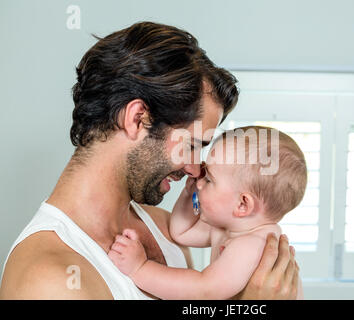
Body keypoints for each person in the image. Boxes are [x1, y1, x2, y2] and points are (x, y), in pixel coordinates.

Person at [0, 21, 300, 300]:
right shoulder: (51, 279)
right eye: (192, 145)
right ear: (138, 118)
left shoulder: (164, 228)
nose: (196, 168)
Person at [108, 126, 306, 299]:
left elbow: (202, 291)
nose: (199, 182)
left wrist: (140, 268)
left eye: (209, 180)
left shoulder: (253, 246)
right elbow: (181, 233)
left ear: (243, 204)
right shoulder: (229, 228)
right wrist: (188, 193)